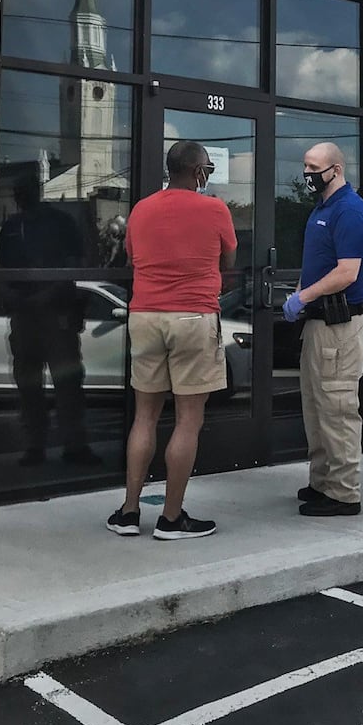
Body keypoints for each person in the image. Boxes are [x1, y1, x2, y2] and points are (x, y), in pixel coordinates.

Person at [107, 140, 237, 541]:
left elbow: (131, 257)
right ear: (197, 171)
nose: (208, 176)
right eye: (208, 169)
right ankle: (171, 517)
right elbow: (228, 260)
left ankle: (129, 512)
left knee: (144, 415)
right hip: (193, 316)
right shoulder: (214, 208)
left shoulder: (141, 209)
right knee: (187, 420)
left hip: (145, 315)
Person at [282, 142, 363, 517]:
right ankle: (323, 481)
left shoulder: (350, 211)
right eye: (305, 166)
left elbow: (346, 272)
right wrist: (304, 299)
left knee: (337, 409)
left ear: (335, 169)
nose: (307, 175)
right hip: (320, 323)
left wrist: (303, 296)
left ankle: (343, 492)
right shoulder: (323, 208)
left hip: (341, 324)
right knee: (316, 406)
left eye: (313, 168)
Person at [0, 171, 93, 467]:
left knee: (68, 385)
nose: (18, 195)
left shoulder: (61, 223)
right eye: (16, 191)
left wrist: (44, 296)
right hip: (24, 316)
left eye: (22, 189)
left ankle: (74, 445)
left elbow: (73, 267)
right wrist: (11, 296)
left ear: (36, 190)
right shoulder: (12, 226)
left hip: (57, 315)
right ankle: (35, 446)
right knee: (28, 385)